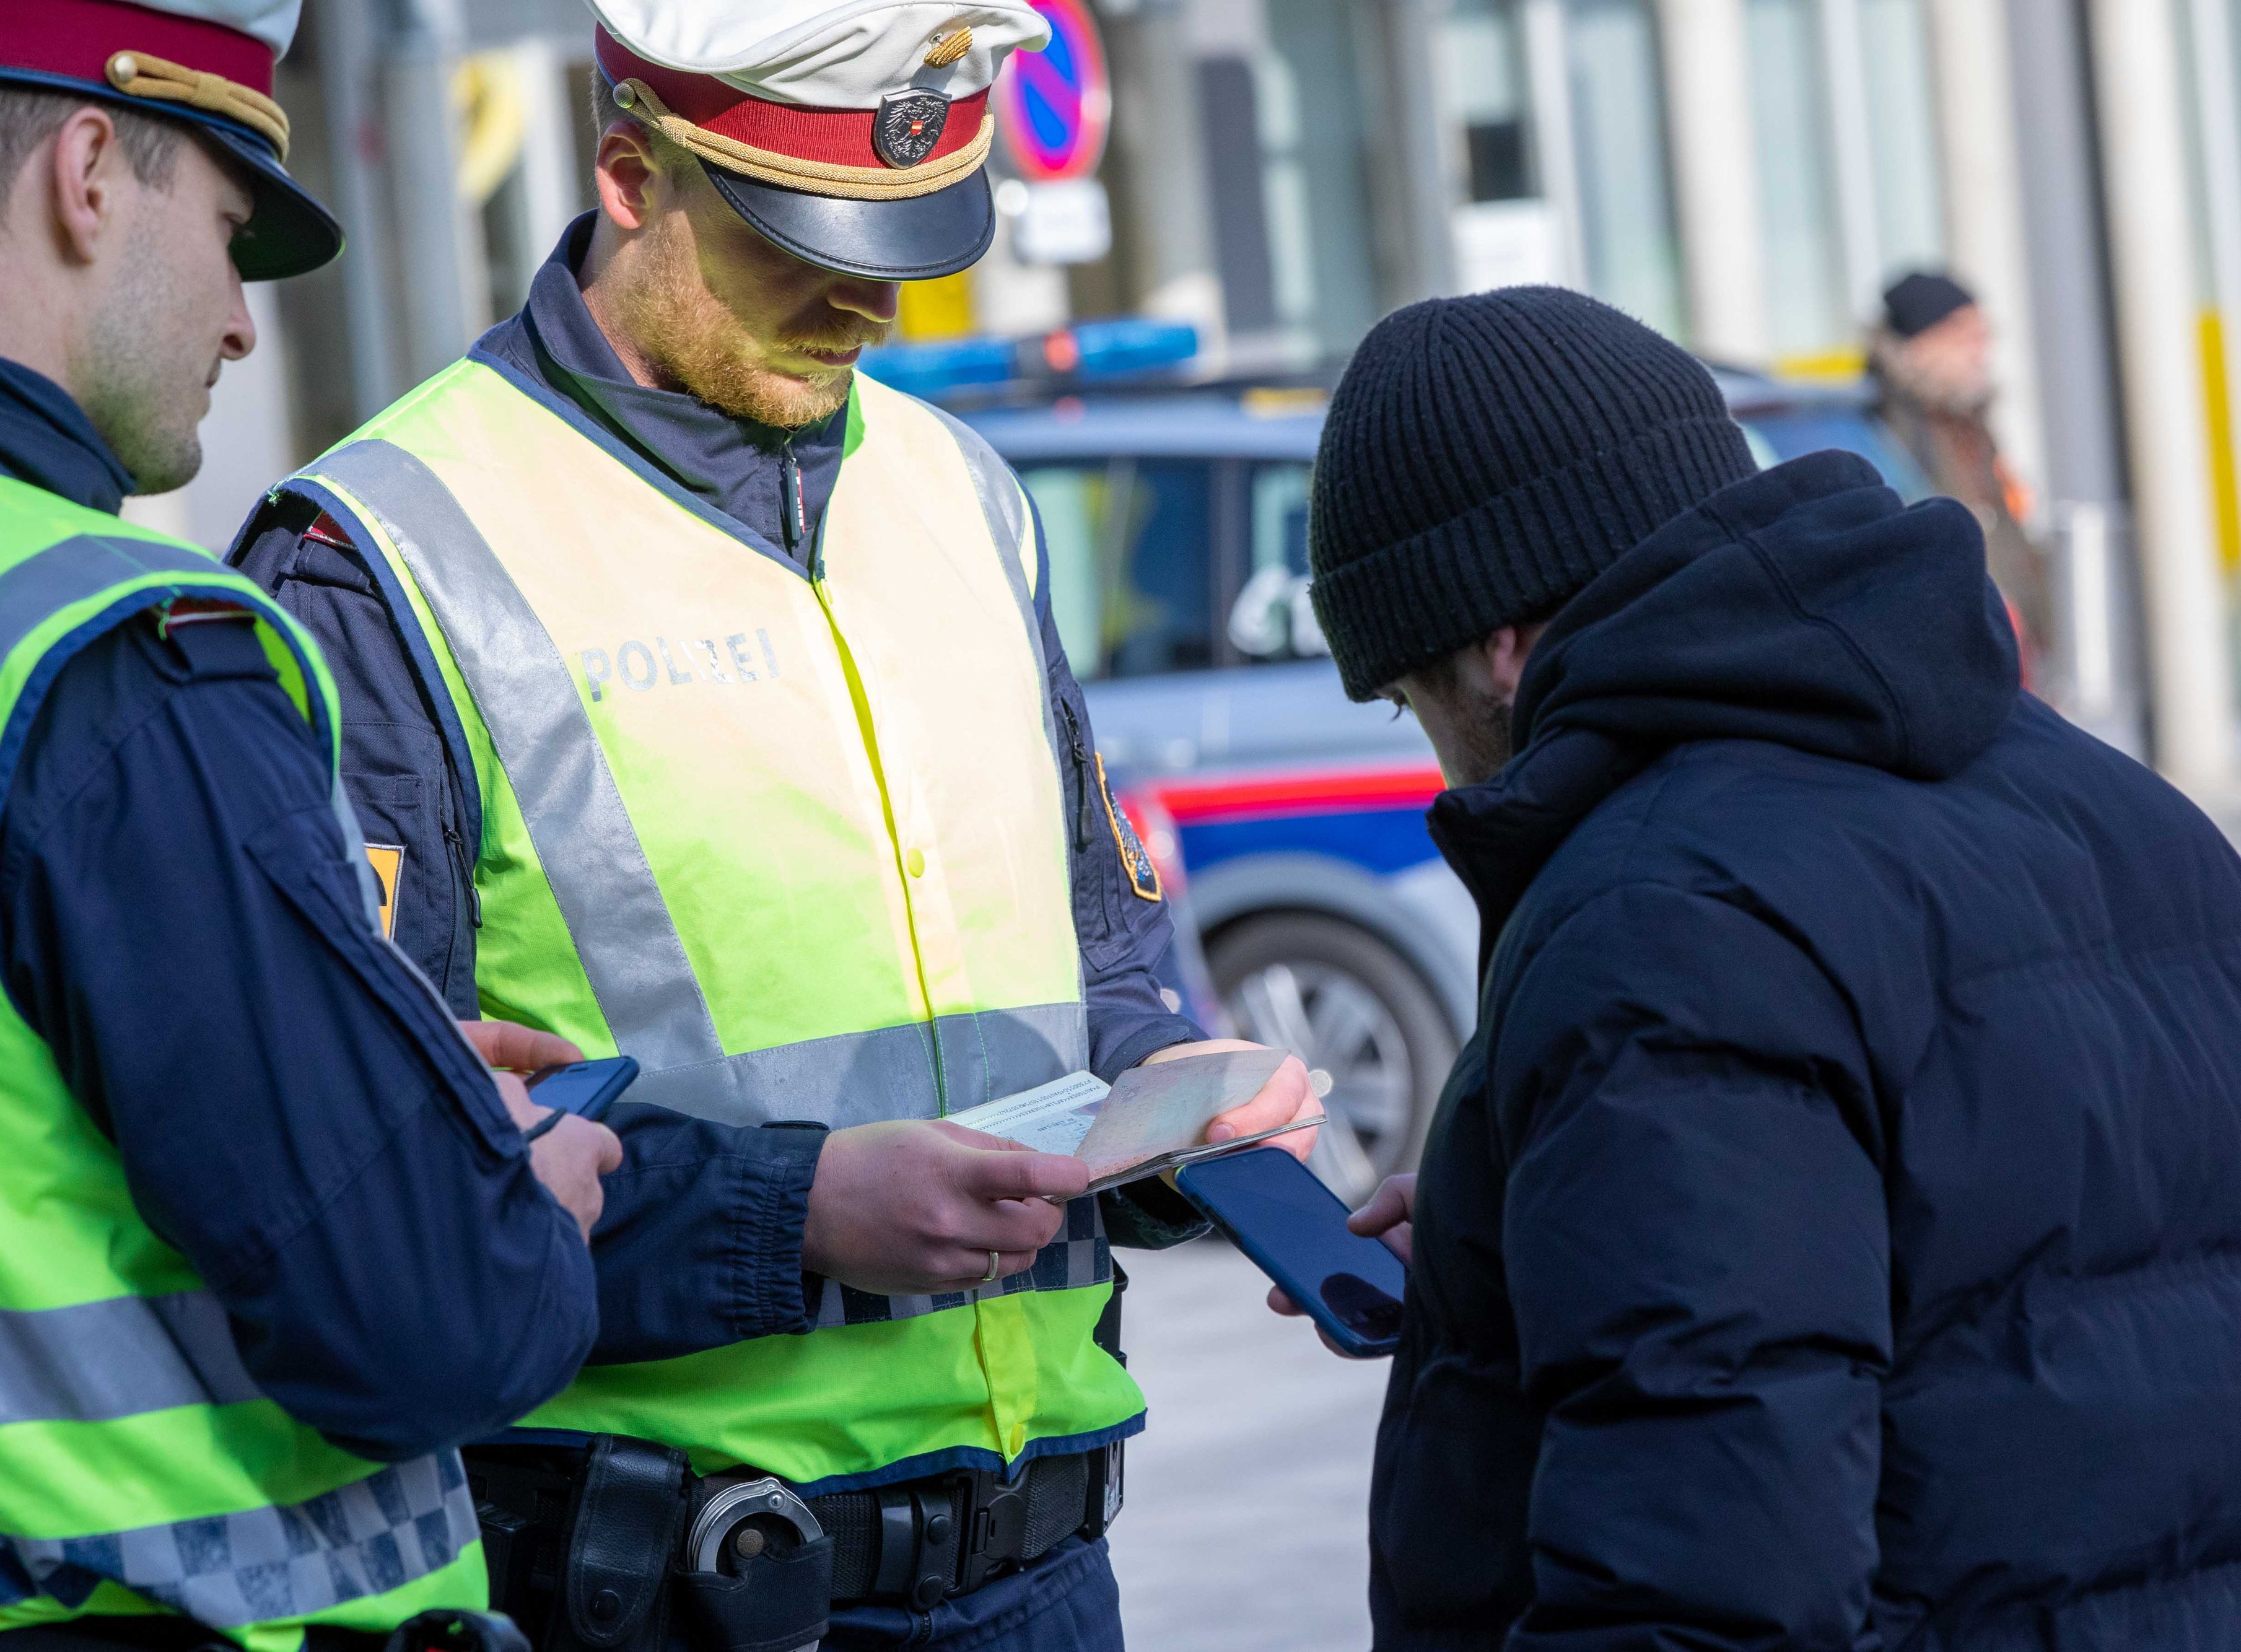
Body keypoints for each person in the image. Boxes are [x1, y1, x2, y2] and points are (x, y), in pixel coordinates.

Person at [230, 2, 1315, 1646]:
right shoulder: (378, 554)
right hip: (669, 1586)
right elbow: (365, 1179)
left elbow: (1099, 948)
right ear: (628, 175)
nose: (869, 302)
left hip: (1051, 1568)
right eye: (802, 241)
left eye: (906, 245)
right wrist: (796, 1215)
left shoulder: (965, 491)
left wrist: (1177, 1116)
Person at [0, 2, 798, 1644]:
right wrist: (516, 1194)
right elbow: (426, 1324)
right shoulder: (112, 658)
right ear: (88, 174)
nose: (245, 329)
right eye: (231, 232)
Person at [1296, 286, 2241, 1648]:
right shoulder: (2112, 802)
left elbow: (1699, 1578)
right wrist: (1521, 1191)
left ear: (1500, 647)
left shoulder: (1653, 921)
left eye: (1408, 697)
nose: (1429, 753)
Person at [1871, 269, 2047, 663]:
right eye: (1961, 336)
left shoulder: (1966, 417)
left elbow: (2006, 532)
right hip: (1954, 654)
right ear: (1918, 344)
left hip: (2009, 645)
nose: (1979, 350)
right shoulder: (1885, 429)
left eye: (1984, 335)